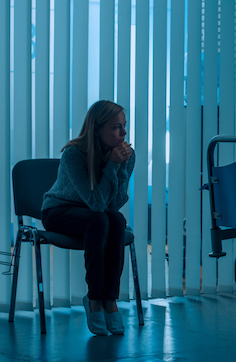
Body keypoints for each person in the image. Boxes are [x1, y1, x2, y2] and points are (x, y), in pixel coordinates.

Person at [41, 100, 135, 336]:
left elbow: (113, 205)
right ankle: (95, 300)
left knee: (116, 220)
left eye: (124, 126)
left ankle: (109, 300)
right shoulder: (74, 154)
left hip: (96, 215)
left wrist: (120, 167)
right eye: (116, 127)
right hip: (59, 211)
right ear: (96, 128)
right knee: (100, 220)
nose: (124, 133)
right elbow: (96, 204)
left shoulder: (125, 155)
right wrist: (112, 166)